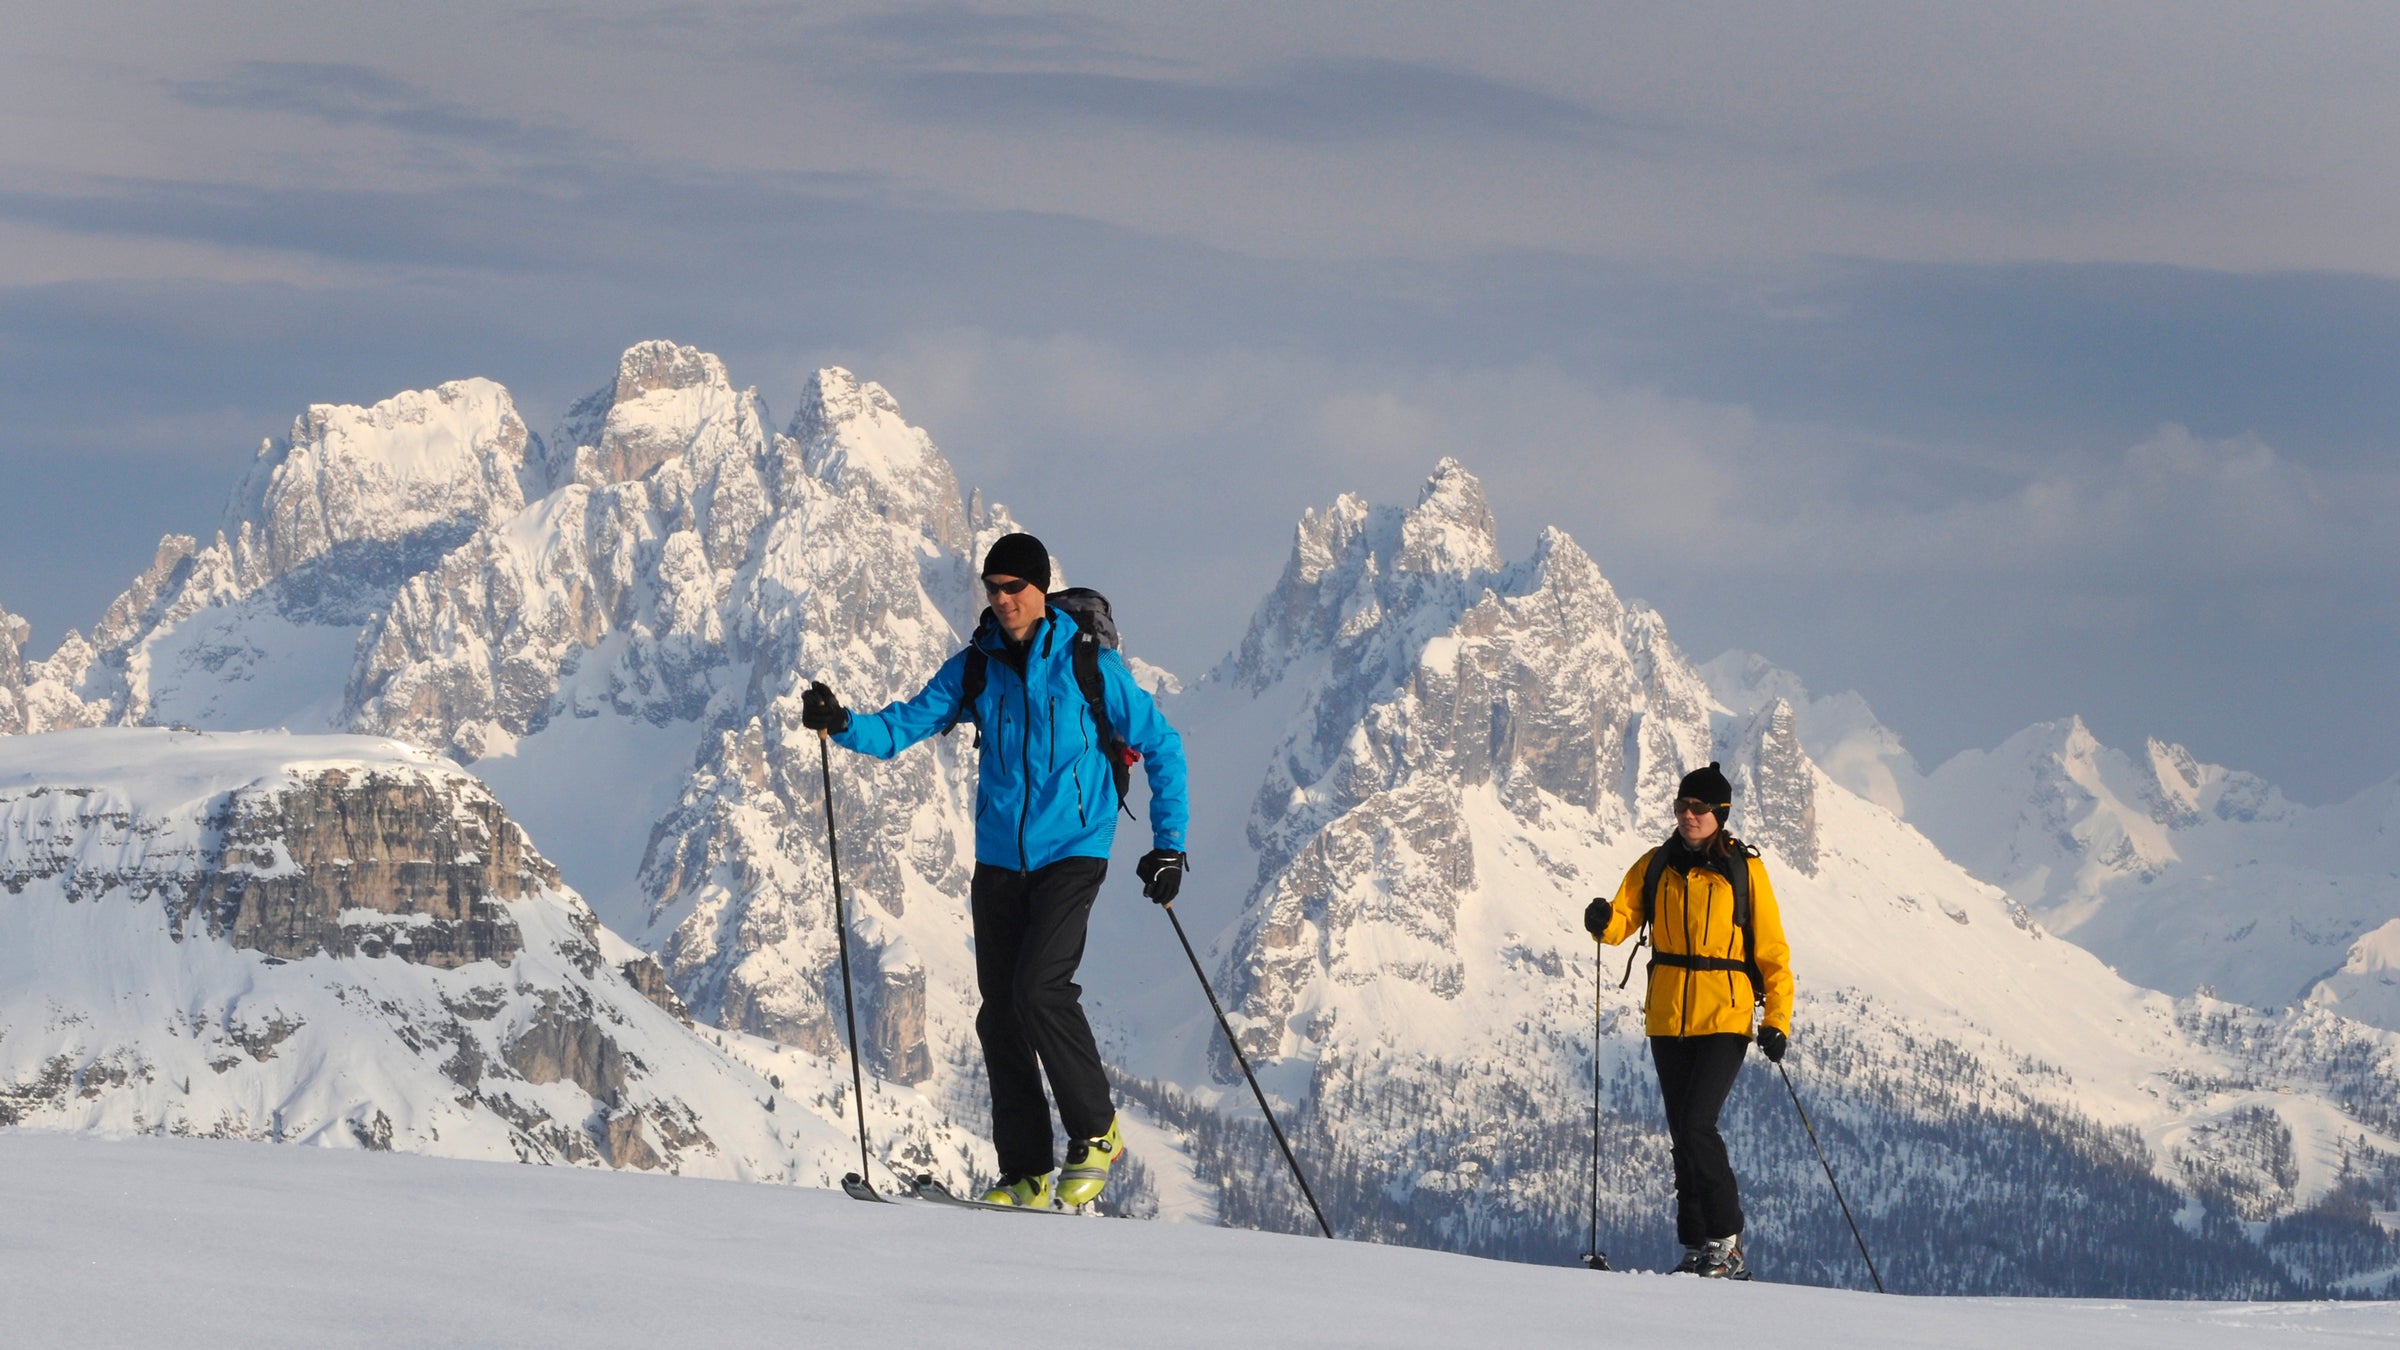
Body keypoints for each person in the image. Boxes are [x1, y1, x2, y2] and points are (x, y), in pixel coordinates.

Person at [799, 531, 1190, 1209]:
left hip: (1074, 849)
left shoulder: (1088, 664)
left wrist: (1169, 845)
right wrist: (842, 724)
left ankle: (1097, 1131)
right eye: (993, 588)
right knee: (1000, 1015)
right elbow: (903, 726)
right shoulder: (976, 667)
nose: (1003, 599)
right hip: (1000, 860)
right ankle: (1026, 1174)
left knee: (1040, 989)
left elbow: (1161, 744)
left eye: (1015, 587)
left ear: (1040, 589)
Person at [1585, 761, 1793, 1278]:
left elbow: (1771, 951)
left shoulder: (1744, 871)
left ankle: (1728, 1240)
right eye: (1682, 805)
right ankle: (1698, 1244)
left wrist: (1777, 1020)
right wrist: (1603, 921)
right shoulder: (1657, 864)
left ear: (1721, 813)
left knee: (1699, 1123)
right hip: (1668, 1017)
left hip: (1725, 1015)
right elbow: (1623, 919)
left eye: (1699, 807)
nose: (1688, 814)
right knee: (1683, 1132)